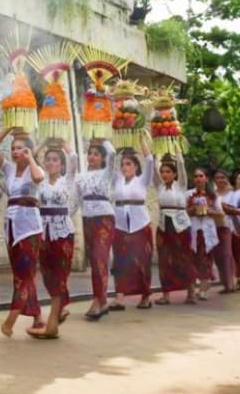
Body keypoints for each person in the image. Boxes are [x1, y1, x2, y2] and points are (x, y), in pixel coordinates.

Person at [0, 127, 46, 337]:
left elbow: (39, 178)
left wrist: (31, 158)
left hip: (29, 229)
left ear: (28, 151)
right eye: (13, 148)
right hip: (12, 226)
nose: (15, 152)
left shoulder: (34, 169)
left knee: (25, 274)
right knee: (21, 274)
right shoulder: (9, 169)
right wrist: (8, 130)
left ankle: (10, 321)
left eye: (20, 148)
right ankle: (38, 317)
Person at [31, 142, 77, 338]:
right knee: (48, 274)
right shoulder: (40, 181)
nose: (51, 162)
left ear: (62, 164)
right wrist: (43, 143)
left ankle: (52, 325)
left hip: (63, 232)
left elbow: (73, 157)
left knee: (59, 274)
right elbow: (30, 157)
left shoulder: (68, 180)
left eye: (55, 159)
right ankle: (60, 309)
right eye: (48, 159)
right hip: (43, 232)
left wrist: (62, 142)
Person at [111, 132, 155, 310]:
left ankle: (145, 296)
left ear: (136, 167)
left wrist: (141, 141)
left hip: (140, 224)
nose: (124, 167)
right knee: (120, 260)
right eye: (123, 164)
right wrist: (116, 149)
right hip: (120, 225)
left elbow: (150, 161)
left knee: (142, 261)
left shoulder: (142, 181)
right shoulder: (117, 180)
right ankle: (119, 297)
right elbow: (109, 165)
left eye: (128, 164)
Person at [76, 138, 118, 320]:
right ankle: (103, 301)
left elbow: (114, 154)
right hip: (87, 219)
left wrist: (104, 141)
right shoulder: (80, 176)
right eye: (90, 153)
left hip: (104, 218)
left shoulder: (106, 173)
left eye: (96, 154)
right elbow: (75, 201)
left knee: (100, 257)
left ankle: (97, 300)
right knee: (94, 261)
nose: (92, 157)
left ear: (102, 158)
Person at [153, 153, 197, 305]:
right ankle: (166, 295)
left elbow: (181, 165)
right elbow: (152, 167)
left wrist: (176, 149)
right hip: (163, 225)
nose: (164, 175)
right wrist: (152, 152)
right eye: (162, 172)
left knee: (184, 258)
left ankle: (191, 291)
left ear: (175, 174)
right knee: (164, 260)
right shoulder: (159, 187)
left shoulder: (181, 185)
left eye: (168, 172)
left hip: (180, 226)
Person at [188, 166, 219, 299]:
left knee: (205, 260)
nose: (198, 179)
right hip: (193, 230)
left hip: (207, 231)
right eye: (196, 176)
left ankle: (203, 290)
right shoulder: (188, 194)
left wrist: (208, 211)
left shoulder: (213, 196)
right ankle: (193, 289)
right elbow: (185, 212)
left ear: (206, 179)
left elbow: (220, 214)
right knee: (193, 260)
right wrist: (194, 210)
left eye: (201, 176)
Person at [212, 169, 239, 293]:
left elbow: (235, 210)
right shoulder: (212, 193)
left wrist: (224, 207)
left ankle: (231, 282)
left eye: (223, 177)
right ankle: (225, 282)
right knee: (217, 255)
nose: (220, 180)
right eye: (218, 178)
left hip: (227, 225)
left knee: (227, 254)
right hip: (213, 226)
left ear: (227, 179)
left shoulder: (232, 193)